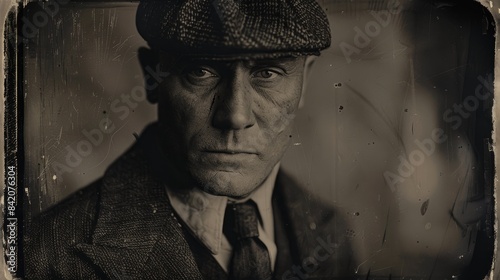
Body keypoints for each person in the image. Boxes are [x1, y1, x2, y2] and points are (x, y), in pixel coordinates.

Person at [24, 0, 355, 279]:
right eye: (201, 71)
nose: (236, 115)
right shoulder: (48, 255)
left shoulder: (331, 233)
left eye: (267, 73)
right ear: (152, 76)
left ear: (305, 82)